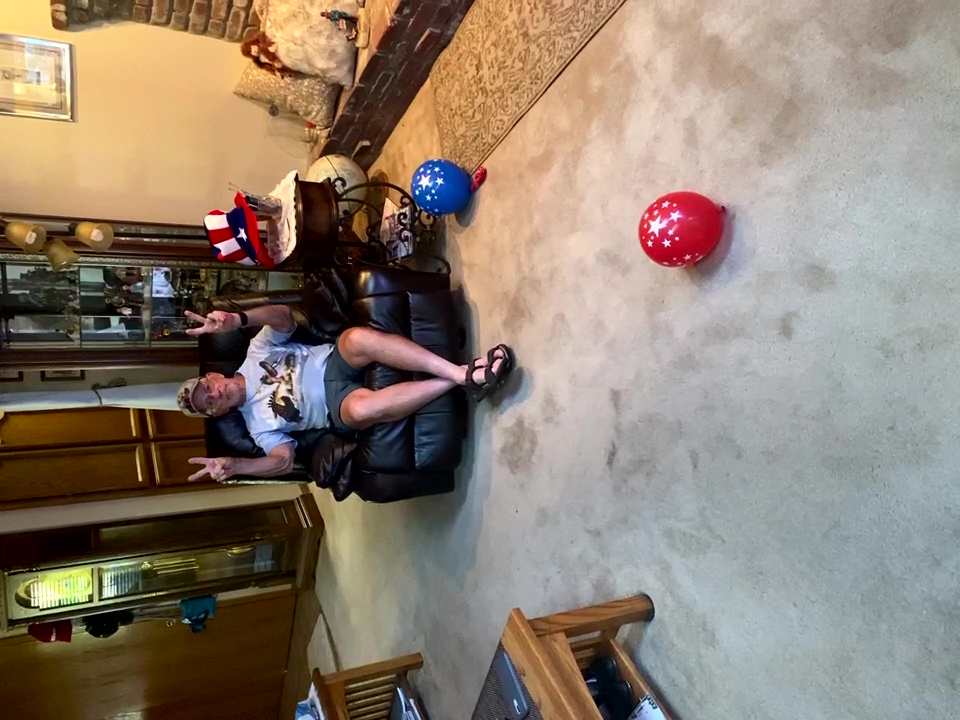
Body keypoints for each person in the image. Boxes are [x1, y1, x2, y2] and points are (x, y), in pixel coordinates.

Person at [177, 305, 513, 483]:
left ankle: (458, 373)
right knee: (361, 410)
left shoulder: (256, 351)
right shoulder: (257, 427)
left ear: (213, 375)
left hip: (334, 361)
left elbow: (284, 317)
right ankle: (464, 377)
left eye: (208, 387)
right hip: (335, 406)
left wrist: (238, 319)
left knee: (355, 338)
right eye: (209, 403)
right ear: (217, 413)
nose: (215, 394)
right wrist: (237, 466)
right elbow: (283, 461)